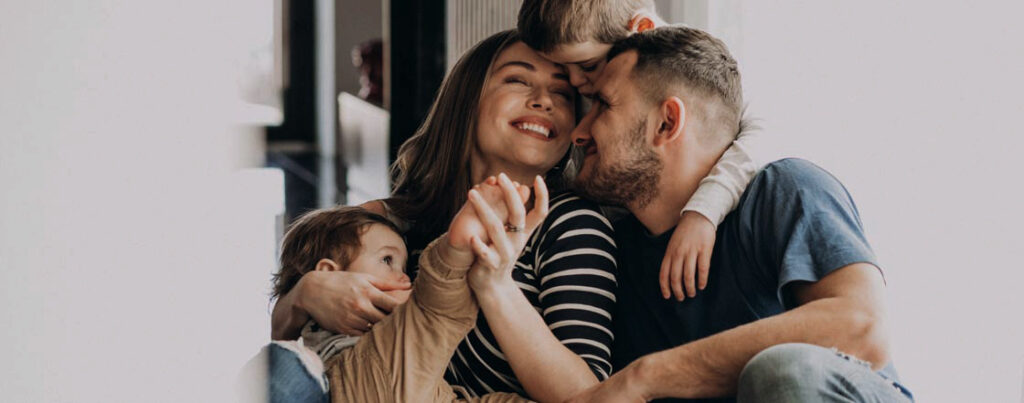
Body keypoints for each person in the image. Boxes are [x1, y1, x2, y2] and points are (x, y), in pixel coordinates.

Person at [563, 26, 914, 402]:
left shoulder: (782, 191)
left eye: (602, 104)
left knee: (783, 372)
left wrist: (645, 376)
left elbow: (862, 329)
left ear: (666, 123)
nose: (578, 133)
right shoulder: (608, 252)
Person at [270, 30, 618, 402]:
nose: (544, 101)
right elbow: (298, 347)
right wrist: (304, 296)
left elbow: (587, 395)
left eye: (562, 94)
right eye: (518, 79)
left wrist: (495, 285)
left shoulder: (571, 224)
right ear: (467, 100)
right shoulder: (395, 221)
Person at [518, 0, 763, 302]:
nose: (576, 82)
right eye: (563, 70)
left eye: (587, 66)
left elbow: (758, 136)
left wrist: (702, 212)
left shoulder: (698, 74)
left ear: (642, 30)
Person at [264, 188, 543, 402]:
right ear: (330, 273)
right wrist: (458, 249)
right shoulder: (361, 355)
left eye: (404, 266)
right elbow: (435, 310)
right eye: (387, 260)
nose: (405, 277)